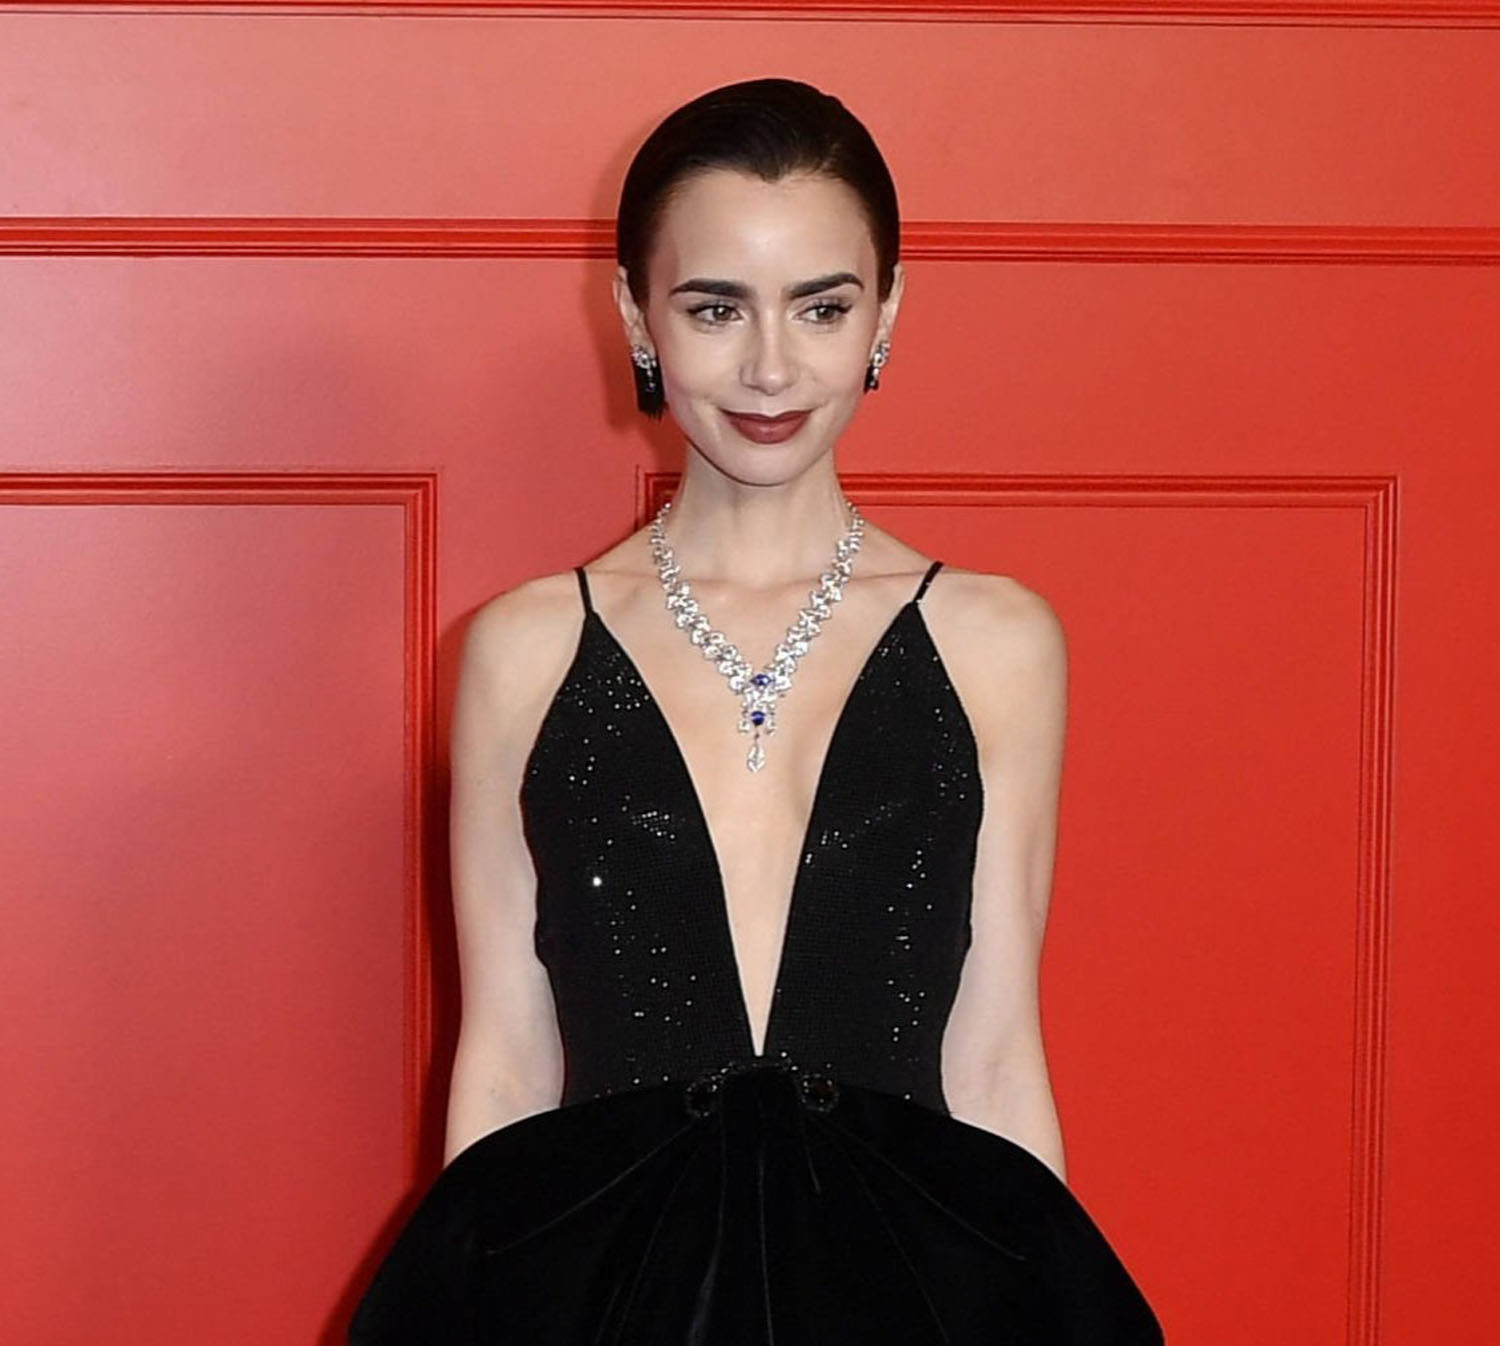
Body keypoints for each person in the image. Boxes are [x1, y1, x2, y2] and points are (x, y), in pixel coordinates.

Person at [350, 77, 1164, 1344]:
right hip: (604, 1301)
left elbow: (997, 1051)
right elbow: (506, 1060)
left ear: (888, 311)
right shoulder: (524, 649)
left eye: (822, 306)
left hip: (906, 1299)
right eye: (716, 306)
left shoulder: (997, 643)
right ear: (638, 316)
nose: (771, 366)